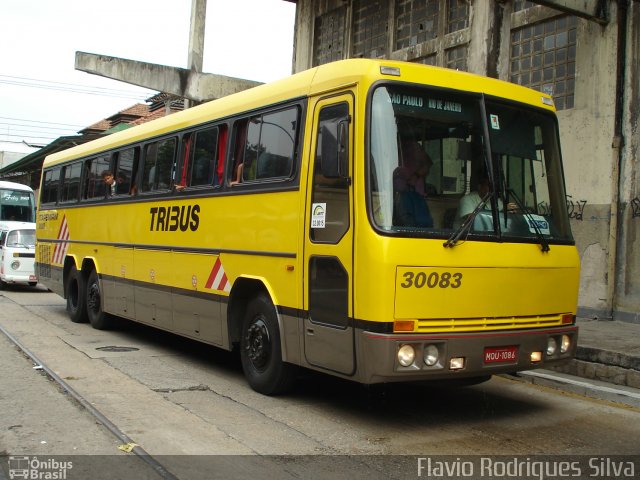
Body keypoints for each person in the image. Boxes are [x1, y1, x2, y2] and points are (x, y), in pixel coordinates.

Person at [393, 141, 434, 228]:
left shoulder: (414, 146)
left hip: (416, 197)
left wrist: (416, 175)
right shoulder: (399, 170)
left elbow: (428, 164)